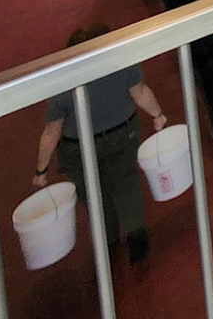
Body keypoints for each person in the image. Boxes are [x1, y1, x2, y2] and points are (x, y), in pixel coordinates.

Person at [32, 24, 168, 263]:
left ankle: (108, 238)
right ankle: (135, 231)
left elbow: (51, 132)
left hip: (78, 147)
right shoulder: (122, 63)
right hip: (121, 134)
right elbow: (141, 92)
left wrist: (40, 170)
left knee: (92, 192)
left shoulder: (62, 82)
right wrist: (157, 115)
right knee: (126, 182)